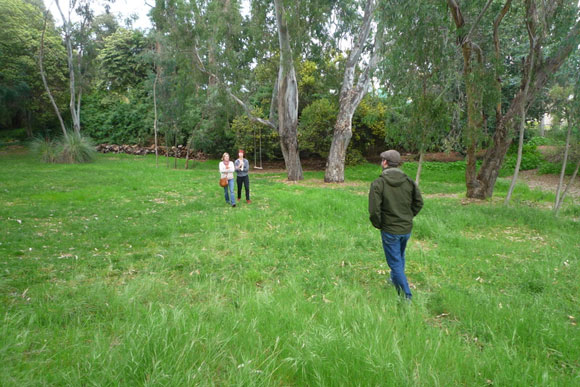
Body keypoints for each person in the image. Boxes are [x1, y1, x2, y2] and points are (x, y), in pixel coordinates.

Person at [368, 150, 423, 300]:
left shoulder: (379, 183)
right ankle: (393, 280)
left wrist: (380, 224)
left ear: (385, 162)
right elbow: (419, 202)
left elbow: (374, 211)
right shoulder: (409, 181)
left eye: (382, 160)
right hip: (405, 228)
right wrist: (408, 217)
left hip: (390, 230)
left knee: (395, 262)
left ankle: (406, 296)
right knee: (399, 255)